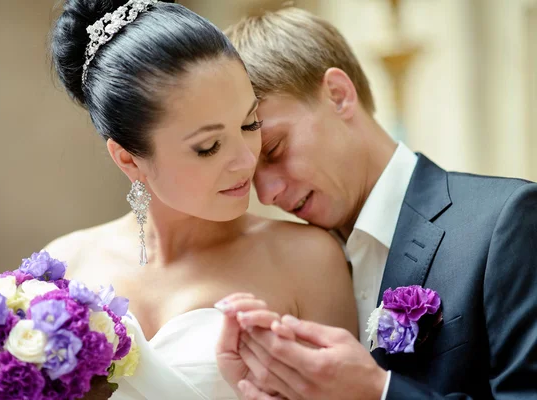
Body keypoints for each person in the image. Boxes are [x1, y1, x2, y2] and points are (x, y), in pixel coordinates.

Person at [217, 6, 537, 400]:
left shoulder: (505, 221)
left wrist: (377, 390)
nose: (267, 194)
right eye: (249, 178)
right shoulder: (286, 267)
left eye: (275, 150)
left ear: (338, 95)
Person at [46, 1, 357, 399]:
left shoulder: (309, 260)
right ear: (128, 159)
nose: (248, 160)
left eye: (250, 124)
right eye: (208, 146)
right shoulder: (66, 266)